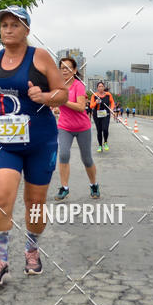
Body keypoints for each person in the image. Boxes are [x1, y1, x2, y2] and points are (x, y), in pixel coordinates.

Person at [0, 6, 66, 286]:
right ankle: (0, 260)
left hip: (40, 140)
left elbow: (62, 93)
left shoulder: (40, 57)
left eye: (15, 24)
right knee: (2, 198)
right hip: (5, 142)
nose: (8, 29)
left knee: (35, 203)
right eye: (4, 25)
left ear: (26, 29)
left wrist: (44, 95)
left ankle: (32, 250)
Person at [54, 58, 99, 201]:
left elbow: (80, 107)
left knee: (86, 159)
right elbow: (54, 103)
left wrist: (64, 101)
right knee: (63, 154)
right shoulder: (58, 87)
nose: (65, 70)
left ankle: (94, 184)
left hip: (82, 127)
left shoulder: (79, 86)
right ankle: (64, 188)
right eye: (62, 68)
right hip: (64, 127)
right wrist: (54, 107)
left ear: (74, 71)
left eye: (68, 68)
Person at [90, 82, 115, 152]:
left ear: (104, 87)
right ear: (97, 88)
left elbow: (112, 102)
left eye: (102, 86)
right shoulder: (94, 95)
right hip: (97, 115)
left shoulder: (108, 95)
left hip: (106, 114)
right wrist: (96, 102)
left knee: (105, 129)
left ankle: (105, 142)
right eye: (99, 86)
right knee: (99, 130)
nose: (100, 88)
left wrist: (112, 109)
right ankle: (100, 145)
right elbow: (91, 106)